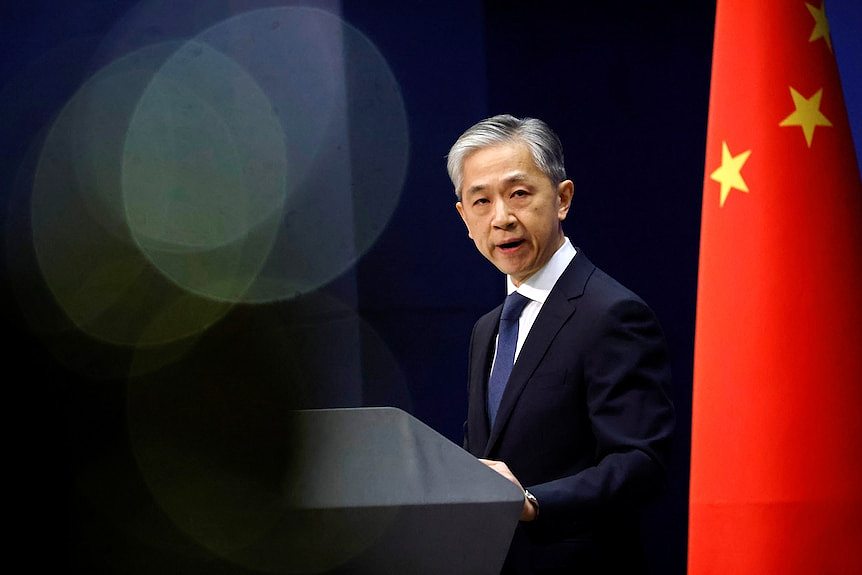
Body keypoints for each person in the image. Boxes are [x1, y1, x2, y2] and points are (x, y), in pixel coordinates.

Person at [448, 115, 674, 574]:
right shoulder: (487, 328)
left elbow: (641, 463)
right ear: (464, 218)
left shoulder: (611, 314)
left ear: (562, 198)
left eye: (519, 193)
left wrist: (533, 503)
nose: (502, 218)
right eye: (481, 201)